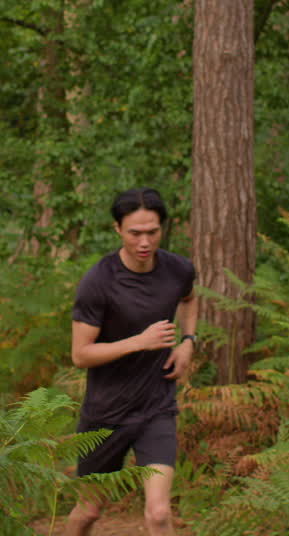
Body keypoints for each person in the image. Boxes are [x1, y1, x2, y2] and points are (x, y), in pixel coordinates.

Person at [63, 187, 199, 536]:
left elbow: (189, 298)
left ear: (163, 229)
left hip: (157, 407)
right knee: (89, 510)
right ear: (117, 230)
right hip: (106, 412)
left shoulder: (178, 269)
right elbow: (80, 354)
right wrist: (139, 342)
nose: (144, 241)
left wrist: (188, 341)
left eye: (152, 232)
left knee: (157, 513)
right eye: (135, 233)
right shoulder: (99, 282)